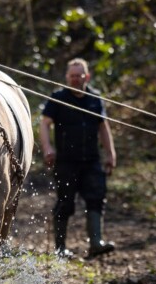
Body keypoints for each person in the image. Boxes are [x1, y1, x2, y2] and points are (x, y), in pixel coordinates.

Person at [39, 58, 117, 259]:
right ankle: (60, 249)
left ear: (86, 76)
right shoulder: (58, 97)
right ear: (67, 77)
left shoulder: (95, 98)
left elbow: (103, 126)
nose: (75, 79)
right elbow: (45, 124)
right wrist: (47, 148)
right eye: (71, 76)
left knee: (96, 198)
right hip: (66, 161)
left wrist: (110, 153)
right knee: (65, 202)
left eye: (78, 76)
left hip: (91, 160)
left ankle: (96, 243)